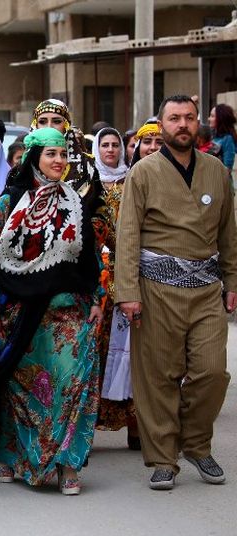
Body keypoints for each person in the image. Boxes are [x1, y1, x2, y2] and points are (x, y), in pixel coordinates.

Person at [115, 95, 237, 490]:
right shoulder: (144, 172)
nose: (182, 124)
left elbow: (228, 235)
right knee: (159, 378)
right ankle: (164, 458)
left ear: (198, 123)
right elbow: (128, 234)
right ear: (162, 125)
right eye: (174, 118)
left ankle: (197, 444)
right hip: (156, 289)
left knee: (212, 372)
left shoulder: (217, 171)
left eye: (188, 118)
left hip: (206, 288)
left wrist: (232, 282)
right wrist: (128, 292)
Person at [0, 127, 102, 495]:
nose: (59, 161)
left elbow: (90, 258)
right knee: (21, 389)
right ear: (34, 158)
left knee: (71, 384)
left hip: (70, 314)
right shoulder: (9, 202)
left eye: (63, 155)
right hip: (20, 314)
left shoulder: (76, 202)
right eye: (51, 154)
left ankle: (65, 464)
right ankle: (12, 455)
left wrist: (97, 297)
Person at [91, 127, 140, 448]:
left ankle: (135, 426)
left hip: (127, 272)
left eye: (115, 145)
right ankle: (88, 427)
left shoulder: (133, 181)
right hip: (98, 277)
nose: (110, 150)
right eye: (104, 145)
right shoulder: (88, 182)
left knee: (131, 353)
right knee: (97, 351)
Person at [208, 103, 237, 170]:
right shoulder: (211, 135)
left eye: (212, 116)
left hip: (219, 179)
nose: (209, 119)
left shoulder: (228, 139)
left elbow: (227, 168)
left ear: (220, 119)